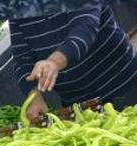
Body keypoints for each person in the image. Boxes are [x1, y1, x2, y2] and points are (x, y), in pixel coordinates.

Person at [9, 0, 137, 121]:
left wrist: (54, 62)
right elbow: (22, 60)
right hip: (79, 104)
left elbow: (84, 30)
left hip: (122, 84)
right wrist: (34, 97)